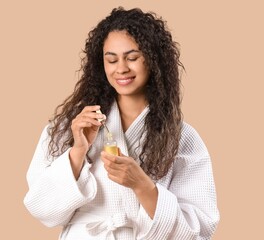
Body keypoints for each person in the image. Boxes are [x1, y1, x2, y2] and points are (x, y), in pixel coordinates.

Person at [23, 7, 220, 239]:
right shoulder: (71, 126)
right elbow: (41, 208)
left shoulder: (182, 137)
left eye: (132, 57)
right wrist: (77, 153)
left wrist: (143, 186)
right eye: (111, 60)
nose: (121, 68)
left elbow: (198, 229)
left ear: (154, 60)